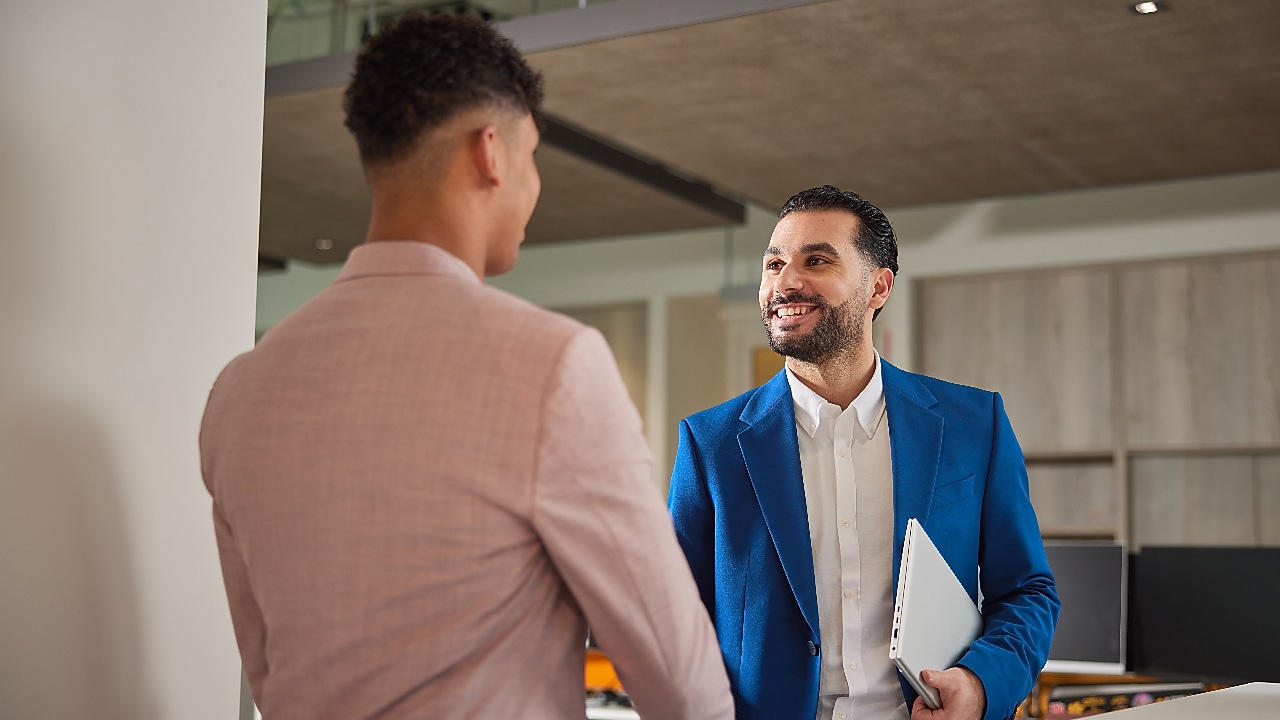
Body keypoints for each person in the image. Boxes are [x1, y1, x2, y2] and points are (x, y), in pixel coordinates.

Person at [199, 13, 732, 720]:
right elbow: (683, 684)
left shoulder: (239, 391)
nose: (533, 185)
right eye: (532, 154)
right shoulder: (555, 366)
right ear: (491, 152)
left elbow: (264, 666)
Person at [668, 185, 1059, 720]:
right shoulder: (710, 443)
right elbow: (672, 621)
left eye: (817, 260)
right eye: (774, 263)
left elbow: (1027, 591)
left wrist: (980, 684)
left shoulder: (975, 425)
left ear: (878, 288)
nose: (785, 282)